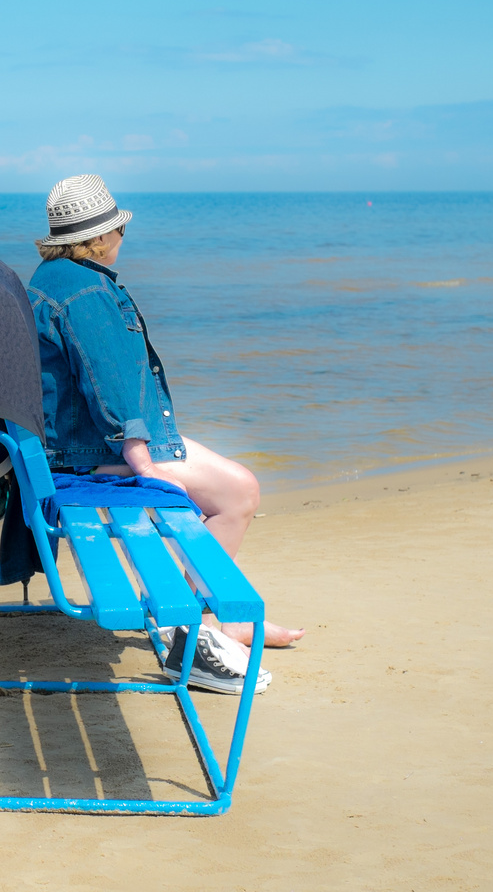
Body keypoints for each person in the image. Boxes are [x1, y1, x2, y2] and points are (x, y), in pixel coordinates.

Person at [26, 174, 304, 653]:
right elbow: (109, 388)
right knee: (239, 491)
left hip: (75, 440)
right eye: (118, 229)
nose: (121, 238)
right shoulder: (86, 293)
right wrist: (146, 467)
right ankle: (199, 619)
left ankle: (205, 613)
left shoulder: (50, 278)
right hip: (89, 448)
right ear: (96, 238)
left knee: (233, 484)